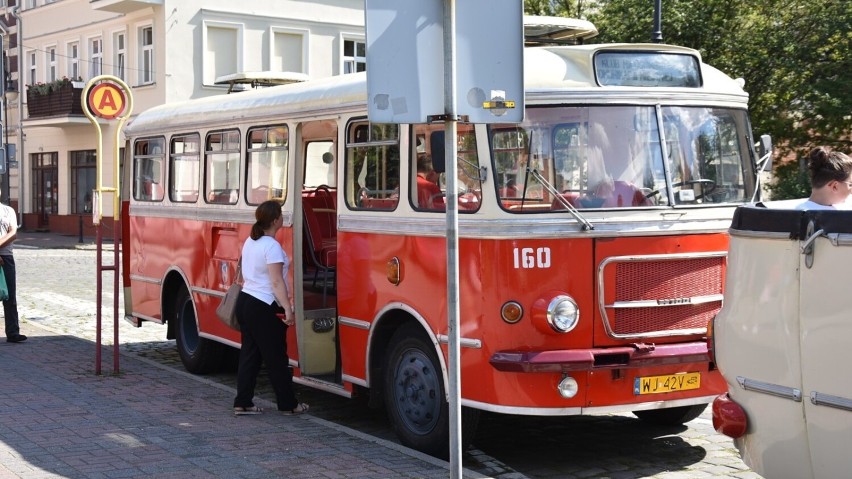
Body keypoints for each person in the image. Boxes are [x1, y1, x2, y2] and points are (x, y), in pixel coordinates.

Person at [233, 200, 309, 415]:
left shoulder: (251, 241)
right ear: (275, 220)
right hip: (264, 305)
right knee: (276, 358)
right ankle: (288, 404)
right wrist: (288, 308)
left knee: (250, 355)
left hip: (246, 301)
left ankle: (243, 402)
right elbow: (276, 283)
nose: (283, 219)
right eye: (281, 216)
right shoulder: (272, 246)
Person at [0, 192, 25, 343]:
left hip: (7, 257)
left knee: (10, 295)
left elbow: (13, 233)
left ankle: (13, 332)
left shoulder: (8, 211)